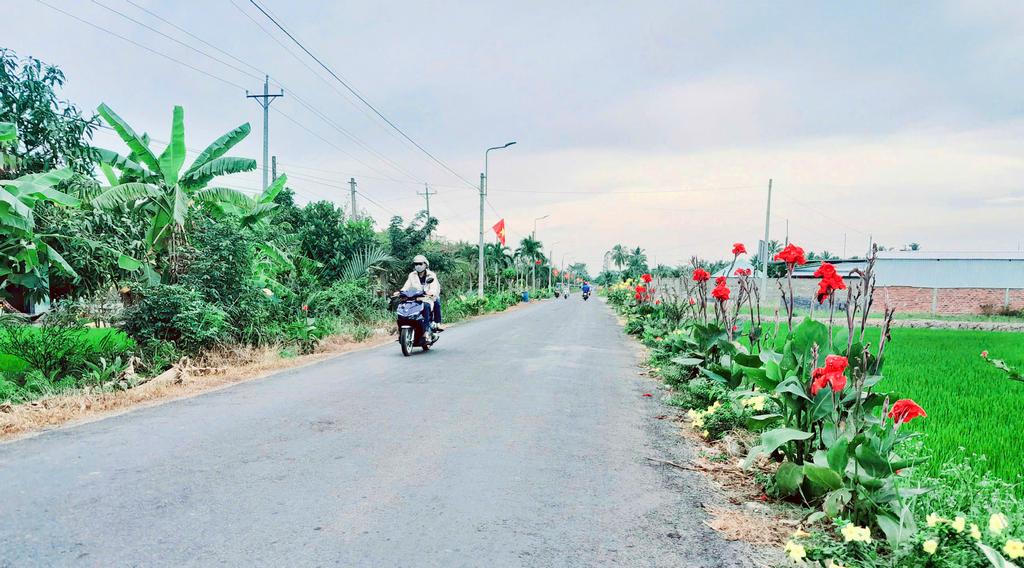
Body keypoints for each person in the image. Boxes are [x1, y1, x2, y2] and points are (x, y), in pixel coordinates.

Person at [400, 254, 442, 333]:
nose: (418, 266)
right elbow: (406, 286)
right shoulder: (412, 275)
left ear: (425, 264)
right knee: (405, 306)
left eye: (420, 264)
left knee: (427, 305)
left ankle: (428, 329)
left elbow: (434, 287)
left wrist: (431, 293)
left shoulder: (431, 275)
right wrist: (401, 292)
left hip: (427, 297)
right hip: (416, 298)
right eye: (416, 264)